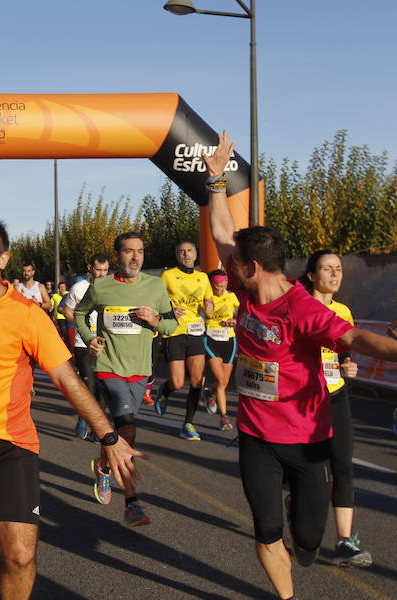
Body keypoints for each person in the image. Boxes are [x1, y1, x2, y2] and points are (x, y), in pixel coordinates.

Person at [204, 131, 397, 600]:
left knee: (307, 540)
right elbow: (222, 231)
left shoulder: (302, 309)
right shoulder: (245, 282)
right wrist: (215, 181)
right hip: (256, 437)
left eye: (236, 261)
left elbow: (353, 337)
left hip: (308, 442)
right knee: (267, 530)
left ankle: (303, 529)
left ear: (253, 265)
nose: (230, 261)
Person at [0, 216, 140, 600]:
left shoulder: (27, 314)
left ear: (3, 258)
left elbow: (66, 379)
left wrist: (108, 436)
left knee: (21, 555)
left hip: (11, 447)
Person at [74, 232, 177, 524]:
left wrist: (155, 320)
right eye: (129, 252)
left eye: (140, 252)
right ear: (118, 255)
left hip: (140, 370)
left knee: (122, 430)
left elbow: (171, 326)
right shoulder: (101, 286)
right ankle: (132, 502)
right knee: (127, 429)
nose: (135, 257)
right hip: (108, 366)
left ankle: (104, 466)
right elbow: (81, 314)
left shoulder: (155, 287)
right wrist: (90, 338)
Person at [300, 250, 371, 567]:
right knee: (310, 471)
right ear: (312, 275)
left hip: (336, 394)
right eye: (327, 268)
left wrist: (348, 368)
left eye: (338, 268)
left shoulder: (343, 310)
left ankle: (345, 542)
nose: (334, 273)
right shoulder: (298, 306)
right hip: (303, 399)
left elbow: (345, 353)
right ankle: (300, 520)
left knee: (343, 465)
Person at [156, 241, 214, 441]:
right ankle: (165, 389)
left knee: (198, 380)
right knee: (178, 382)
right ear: (177, 255)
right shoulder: (168, 275)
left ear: (195, 255)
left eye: (189, 251)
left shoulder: (203, 277)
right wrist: (168, 310)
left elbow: (209, 301)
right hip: (174, 331)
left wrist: (209, 307)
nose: (185, 254)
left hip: (196, 331)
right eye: (181, 251)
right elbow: (156, 299)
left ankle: (188, 423)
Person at [62, 253, 110, 439]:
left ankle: (97, 429)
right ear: (90, 268)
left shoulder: (112, 287)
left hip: (105, 344)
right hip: (84, 343)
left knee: (103, 387)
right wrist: (81, 324)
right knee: (90, 384)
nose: (102, 274)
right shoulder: (79, 288)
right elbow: (66, 309)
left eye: (105, 270)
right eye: (98, 270)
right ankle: (85, 416)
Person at [203, 269, 239, 431]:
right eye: (218, 287)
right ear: (211, 285)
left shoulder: (231, 296)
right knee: (219, 378)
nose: (222, 289)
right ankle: (224, 418)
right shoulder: (205, 298)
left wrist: (234, 320)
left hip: (229, 341)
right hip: (211, 340)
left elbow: (243, 313)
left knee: (223, 382)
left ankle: (211, 394)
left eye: (224, 286)